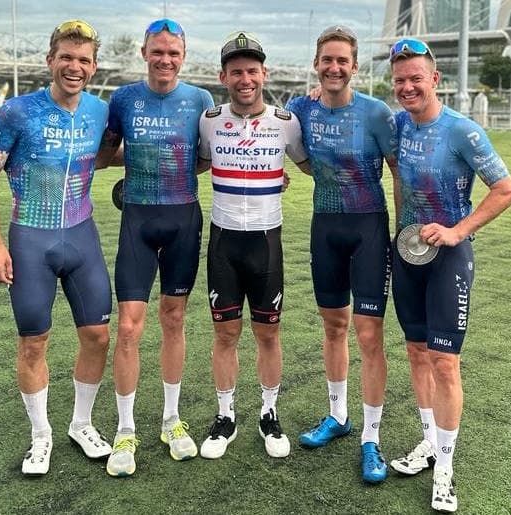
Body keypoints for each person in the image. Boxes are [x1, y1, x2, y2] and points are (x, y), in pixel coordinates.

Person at [0, 19, 112, 476]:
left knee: (97, 335)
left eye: (83, 60)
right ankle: (40, 436)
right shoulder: (16, 111)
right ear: (50, 60)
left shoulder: (99, 111)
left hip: (81, 234)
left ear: (94, 66)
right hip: (30, 238)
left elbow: (119, 152)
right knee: (34, 341)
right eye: (66, 57)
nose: (74, 66)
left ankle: (81, 423)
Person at [386, 38, 511, 512]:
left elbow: (504, 189)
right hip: (406, 255)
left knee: (444, 362)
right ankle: (427, 444)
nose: (407, 87)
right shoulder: (397, 125)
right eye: (399, 80)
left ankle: (445, 466)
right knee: (416, 353)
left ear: (434, 80)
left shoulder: (462, 131)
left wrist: (459, 230)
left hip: (448, 260)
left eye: (415, 78)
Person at [94, 18, 214, 476]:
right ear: (144, 52)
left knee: (174, 318)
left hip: (183, 218)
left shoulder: (200, 100)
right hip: (138, 222)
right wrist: (140, 155)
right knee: (128, 327)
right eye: (157, 51)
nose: (165, 59)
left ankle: (171, 419)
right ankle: (125, 428)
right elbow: (105, 155)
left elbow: (205, 158)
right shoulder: (123, 99)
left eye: (174, 52)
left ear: (183, 56)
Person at [285, 25, 397, 484]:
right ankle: (338, 416)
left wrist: (404, 233)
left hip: (369, 227)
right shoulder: (300, 109)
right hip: (325, 227)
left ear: (354, 66)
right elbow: (287, 148)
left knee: (369, 334)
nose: (334, 68)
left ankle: (371, 437)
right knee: (333, 325)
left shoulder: (376, 113)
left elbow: (397, 172)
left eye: (342, 61)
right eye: (326, 60)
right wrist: (302, 174)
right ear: (317, 63)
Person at [195, 31, 309, 460]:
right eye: (237, 71)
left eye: (253, 70)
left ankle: (268, 412)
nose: (246, 78)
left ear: (265, 73)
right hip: (223, 239)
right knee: (225, 332)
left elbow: (309, 163)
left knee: (268, 332)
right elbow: (199, 161)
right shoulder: (208, 120)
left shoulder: (286, 123)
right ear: (224, 76)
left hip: (267, 240)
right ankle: (225, 416)